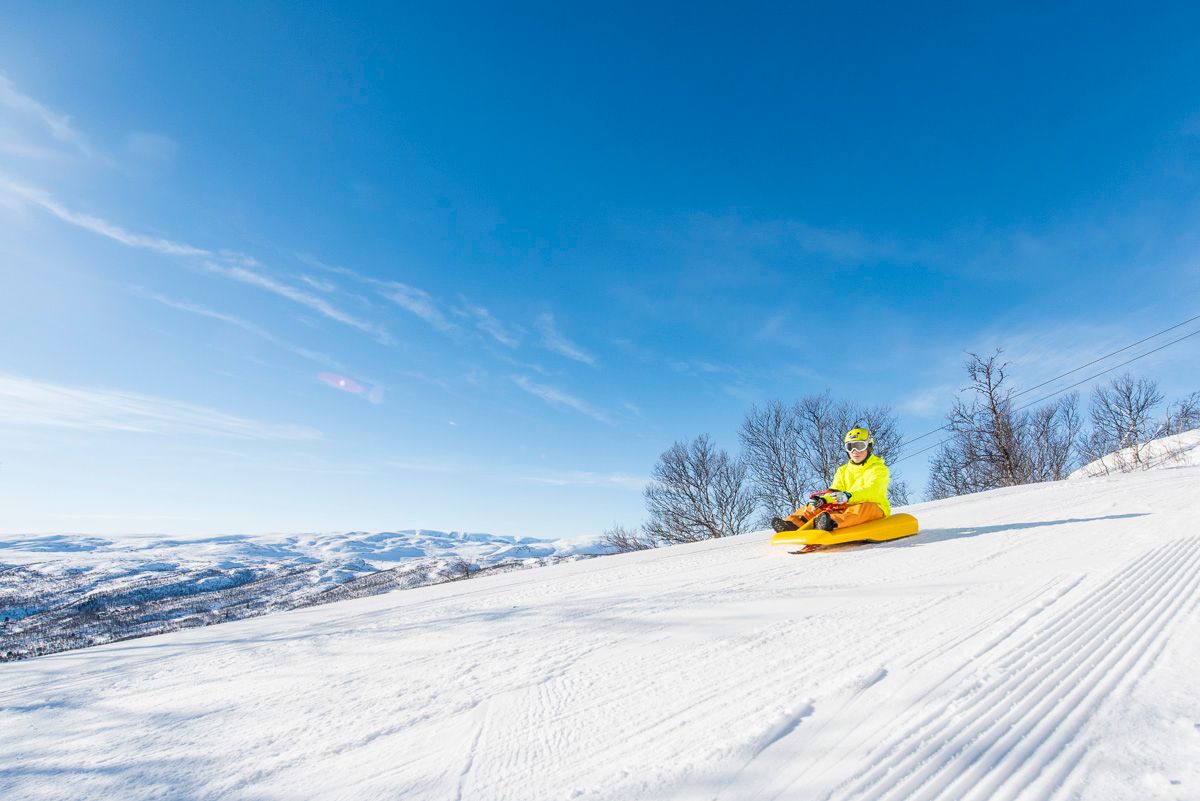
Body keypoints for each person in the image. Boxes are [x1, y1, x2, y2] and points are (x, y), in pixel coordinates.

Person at [771, 427, 891, 533]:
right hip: (846, 504)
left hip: (874, 507)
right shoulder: (843, 470)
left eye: (859, 446)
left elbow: (872, 491)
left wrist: (848, 496)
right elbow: (835, 491)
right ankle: (792, 524)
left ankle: (828, 523)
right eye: (850, 447)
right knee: (813, 505)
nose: (854, 451)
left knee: (862, 508)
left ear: (869, 447)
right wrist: (823, 500)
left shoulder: (879, 469)